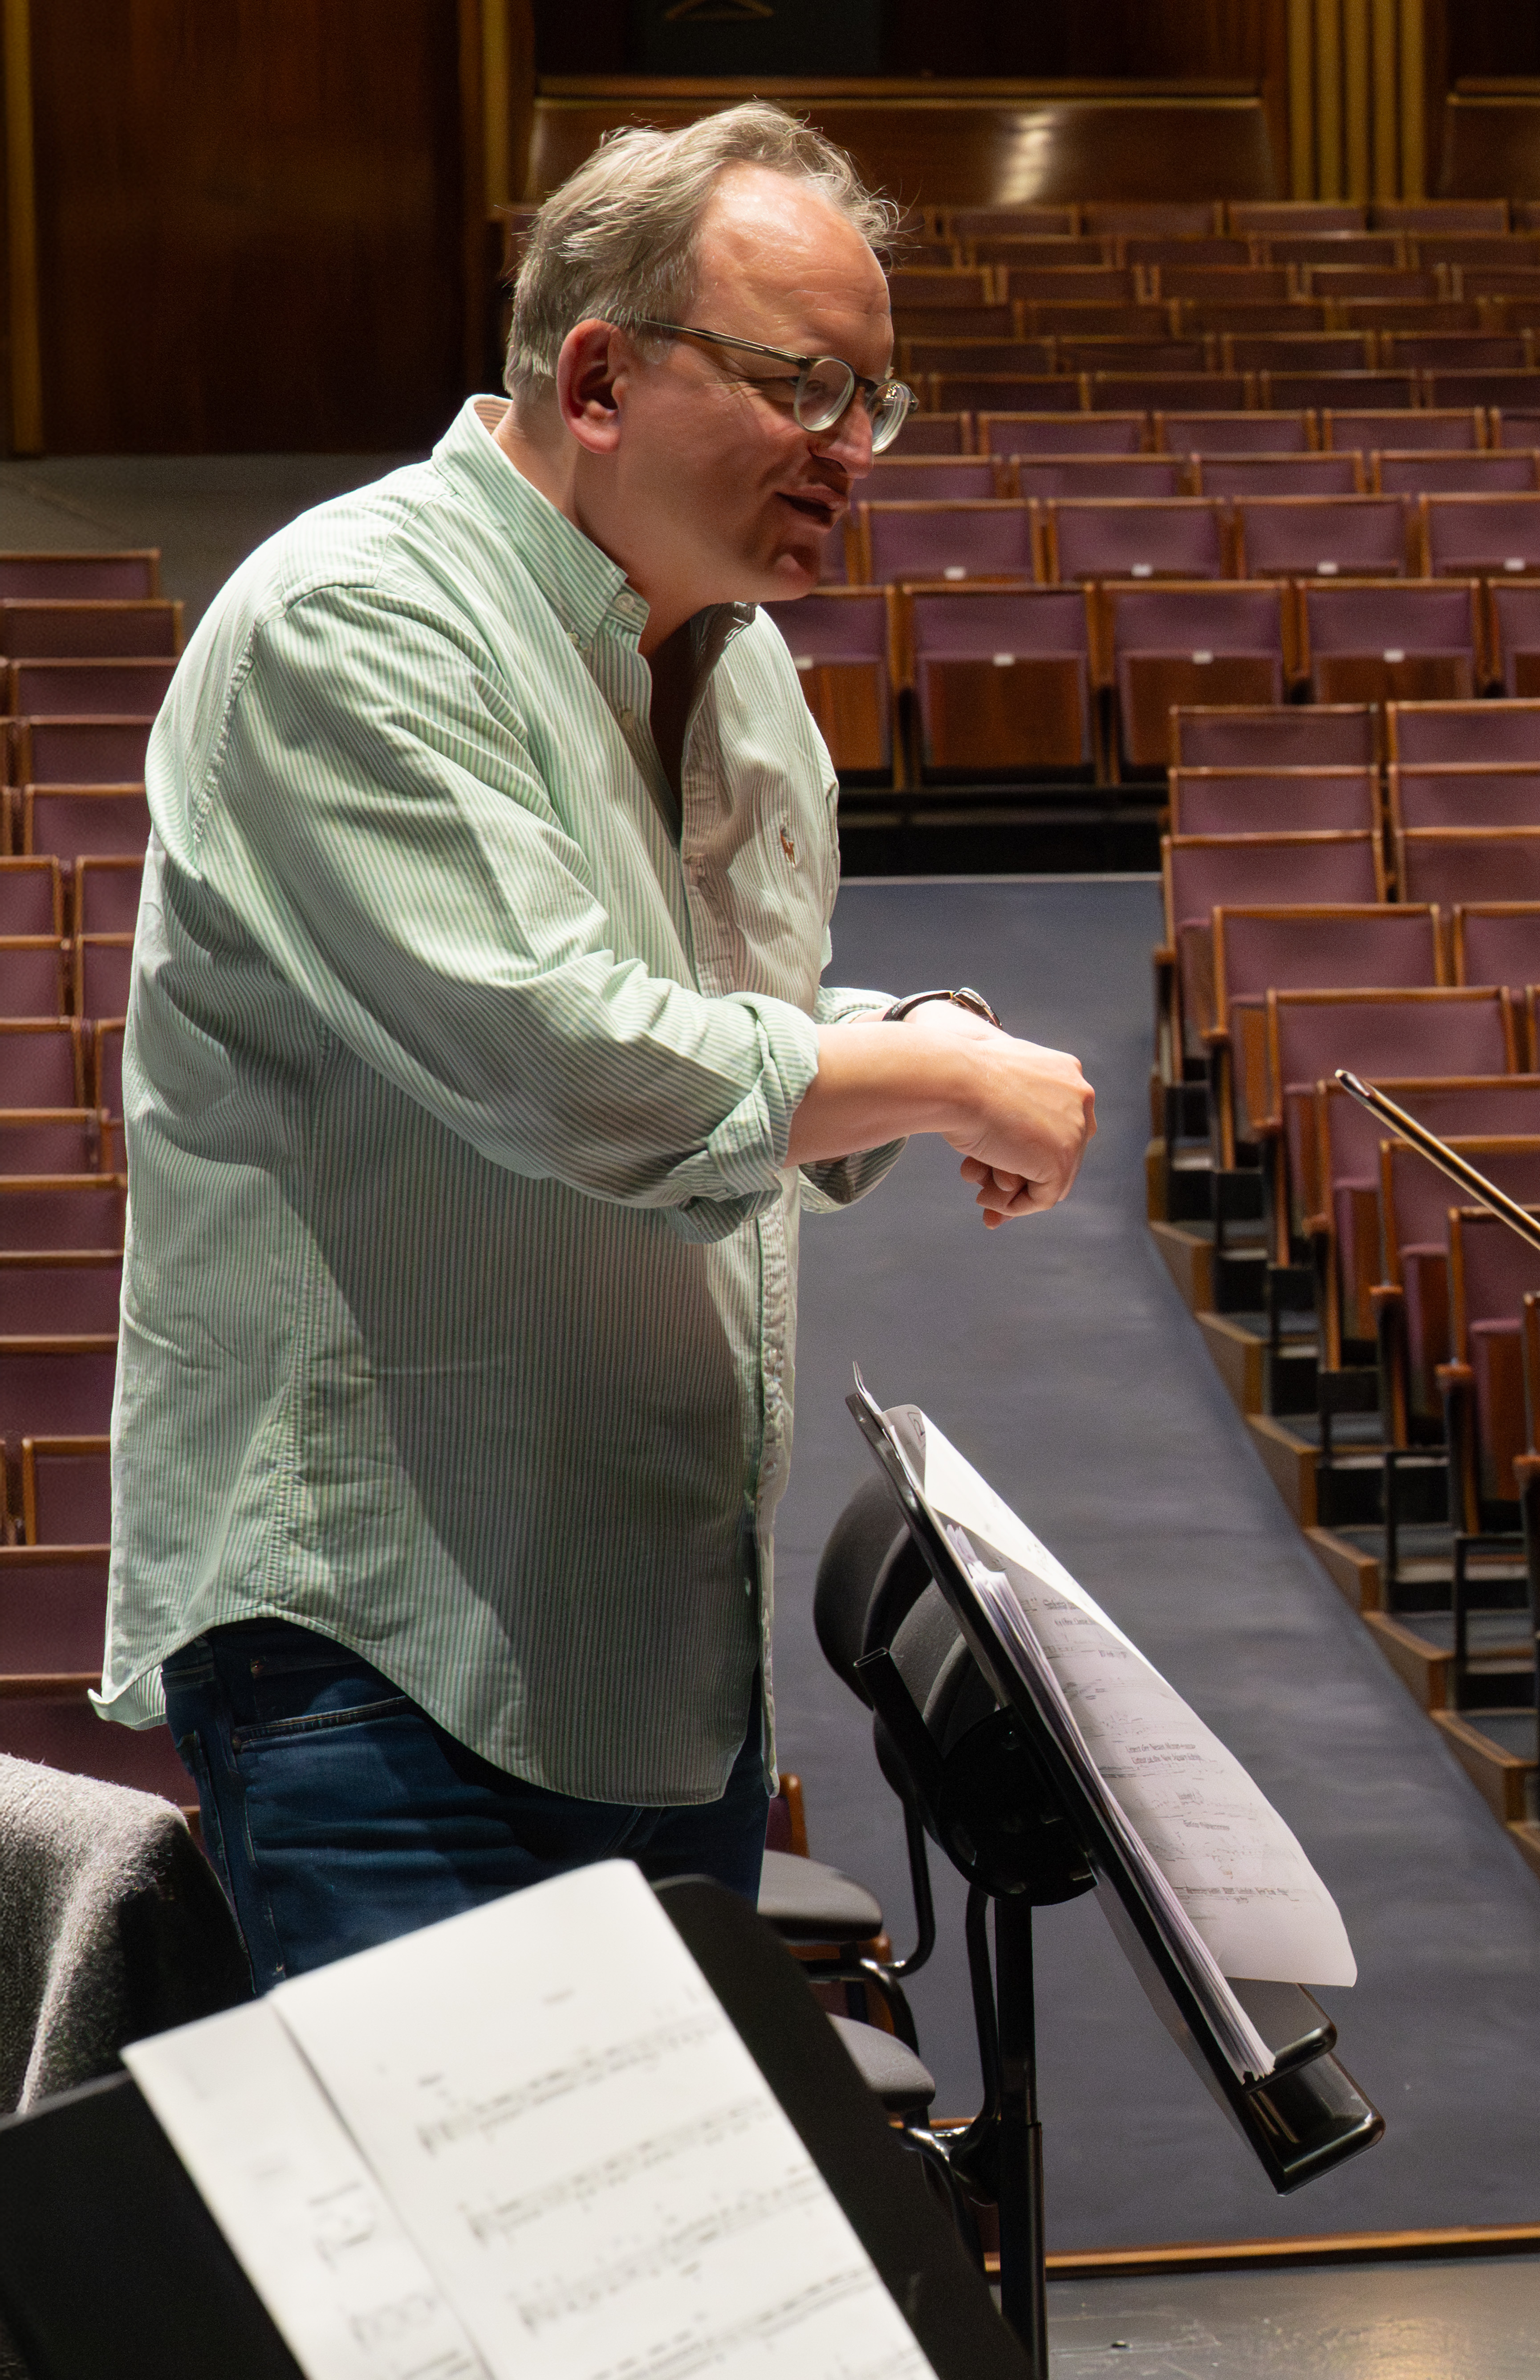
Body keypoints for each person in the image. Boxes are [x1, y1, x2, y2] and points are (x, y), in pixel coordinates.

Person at [93, 103, 1098, 1987]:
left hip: (652, 1667)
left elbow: (714, 1012)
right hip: (388, 1656)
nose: (847, 451)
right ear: (597, 372)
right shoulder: (357, 620)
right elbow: (575, 1058)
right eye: (801, 383)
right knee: (445, 2280)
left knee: (637, 2277)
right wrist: (947, 1081)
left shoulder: (743, 670)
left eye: (873, 402)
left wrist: (902, 1033)